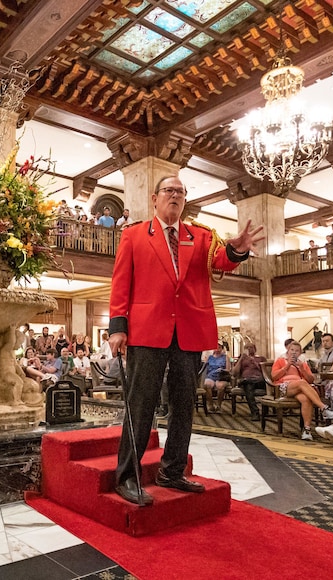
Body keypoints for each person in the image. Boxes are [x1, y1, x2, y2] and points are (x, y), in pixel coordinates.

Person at [109, 174, 262, 505]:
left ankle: (172, 471)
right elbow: (121, 282)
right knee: (141, 404)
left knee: (183, 405)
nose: (175, 196)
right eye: (169, 190)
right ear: (155, 198)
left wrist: (236, 251)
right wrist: (117, 326)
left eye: (180, 191)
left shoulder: (201, 236)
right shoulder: (134, 235)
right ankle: (127, 476)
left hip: (189, 330)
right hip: (147, 329)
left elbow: (221, 262)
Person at [272, 341, 333, 440]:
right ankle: (323, 408)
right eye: (292, 350)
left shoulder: (302, 364)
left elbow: (311, 380)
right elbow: (274, 377)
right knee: (302, 383)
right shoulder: (280, 361)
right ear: (288, 351)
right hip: (285, 388)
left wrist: (302, 369)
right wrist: (287, 366)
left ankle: (307, 430)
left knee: (306, 399)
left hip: (301, 388)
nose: (294, 352)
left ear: (300, 353)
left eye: (297, 351)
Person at [234, 344, 266, 418]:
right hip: (248, 383)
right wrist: (241, 358)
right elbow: (234, 373)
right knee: (248, 386)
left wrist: (254, 362)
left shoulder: (261, 358)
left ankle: (246, 380)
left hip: (259, 381)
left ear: (255, 349)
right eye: (247, 348)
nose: (249, 349)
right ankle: (255, 412)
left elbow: (265, 371)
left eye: (251, 347)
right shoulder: (242, 359)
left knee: (247, 382)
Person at [202, 345, 231, 413]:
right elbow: (204, 368)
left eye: (219, 348)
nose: (217, 349)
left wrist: (222, 370)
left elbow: (228, 369)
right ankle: (210, 405)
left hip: (221, 376)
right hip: (211, 376)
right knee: (206, 385)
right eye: (216, 347)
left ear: (222, 349)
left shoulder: (226, 357)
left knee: (220, 386)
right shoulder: (210, 357)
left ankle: (219, 405)